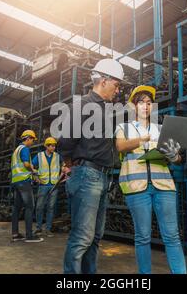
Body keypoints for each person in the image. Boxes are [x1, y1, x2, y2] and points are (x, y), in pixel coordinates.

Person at [58, 58, 124, 274]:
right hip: (87, 174)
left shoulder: (108, 110)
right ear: (103, 80)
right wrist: (70, 165)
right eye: (116, 84)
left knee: (95, 237)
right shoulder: (83, 105)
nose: (118, 90)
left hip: (103, 177)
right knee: (82, 237)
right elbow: (65, 142)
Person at [114, 85, 187, 274]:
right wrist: (142, 139)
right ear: (133, 106)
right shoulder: (124, 128)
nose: (145, 106)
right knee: (143, 237)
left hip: (164, 186)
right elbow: (121, 146)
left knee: (172, 236)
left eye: (148, 103)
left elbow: (178, 160)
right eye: (141, 103)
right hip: (137, 188)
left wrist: (173, 155)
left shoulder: (162, 129)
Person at [10, 130, 44, 243]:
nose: (32, 143)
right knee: (30, 206)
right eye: (32, 140)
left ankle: (15, 234)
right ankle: (29, 235)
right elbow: (26, 164)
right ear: (28, 138)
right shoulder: (24, 149)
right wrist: (34, 171)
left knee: (17, 208)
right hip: (24, 182)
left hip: (16, 181)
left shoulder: (16, 150)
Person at [32, 137, 63, 238]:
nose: (53, 148)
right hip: (43, 185)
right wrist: (35, 177)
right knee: (39, 207)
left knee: (51, 207)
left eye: (54, 146)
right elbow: (31, 166)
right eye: (51, 146)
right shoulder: (39, 156)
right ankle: (38, 228)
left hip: (54, 185)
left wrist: (62, 173)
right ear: (46, 146)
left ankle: (48, 229)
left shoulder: (58, 156)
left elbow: (64, 166)